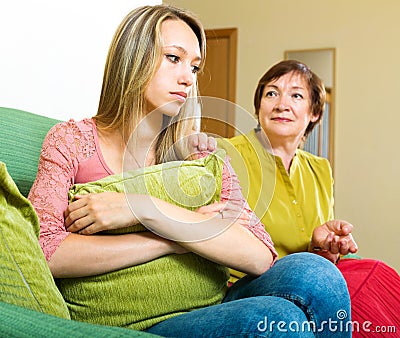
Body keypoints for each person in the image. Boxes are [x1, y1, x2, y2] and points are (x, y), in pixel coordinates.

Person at [28, 7, 352, 337]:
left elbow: (259, 255)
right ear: (133, 57)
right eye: (173, 58)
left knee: (318, 272)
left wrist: (139, 209)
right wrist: (175, 240)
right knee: (278, 319)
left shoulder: (197, 152)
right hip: (144, 320)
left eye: (194, 66)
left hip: (214, 301)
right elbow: (45, 250)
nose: (188, 77)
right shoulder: (72, 141)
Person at [218, 59, 400, 336]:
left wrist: (324, 246)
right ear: (258, 107)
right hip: (246, 286)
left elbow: (320, 259)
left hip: (309, 283)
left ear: (314, 112)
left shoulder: (319, 169)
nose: (281, 104)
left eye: (296, 95)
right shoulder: (225, 154)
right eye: (271, 93)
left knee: (377, 274)